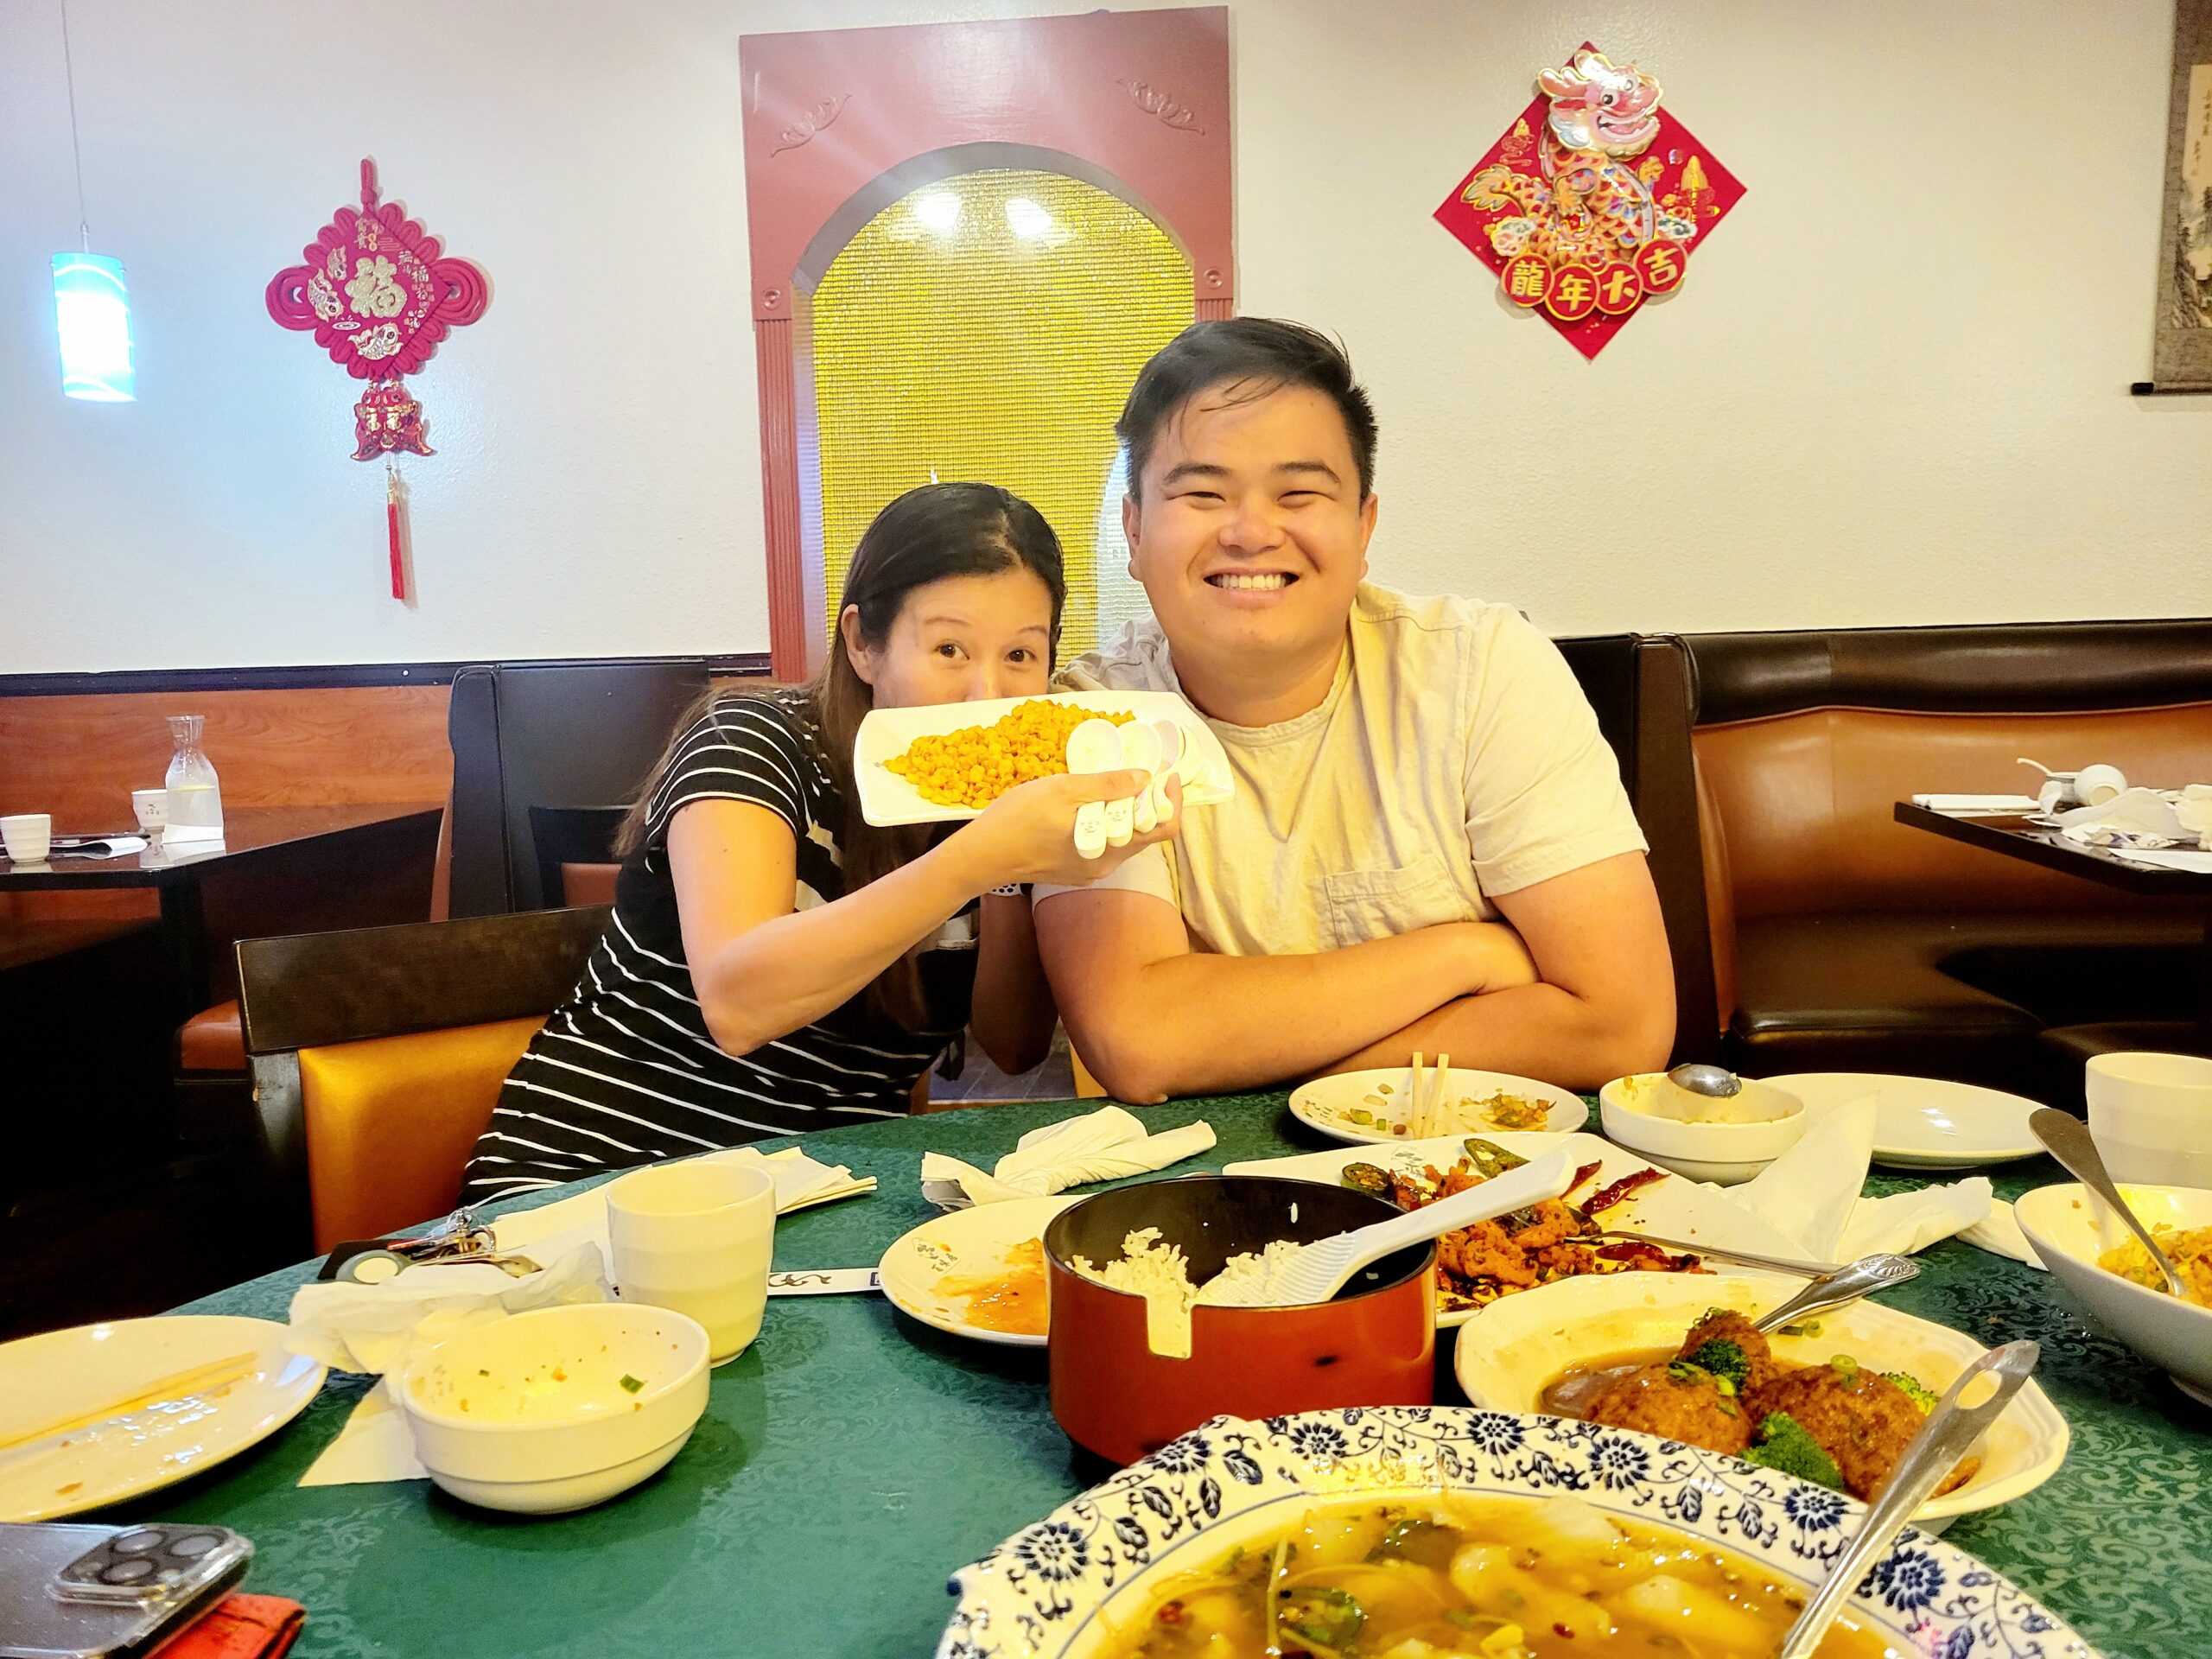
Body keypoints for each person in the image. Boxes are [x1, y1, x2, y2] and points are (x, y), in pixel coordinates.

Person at [460, 482, 1173, 1204]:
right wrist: (981, 856)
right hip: (596, 1181)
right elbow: (739, 1003)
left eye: (1021, 655)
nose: (986, 694)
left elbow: (1014, 1045)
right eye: (949, 648)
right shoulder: (751, 742)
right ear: (864, 642)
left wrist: (1029, 863)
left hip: (813, 1200)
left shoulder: (989, 806)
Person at [1033, 319, 1674, 1101]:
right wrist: (1464, 956)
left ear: (1363, 527)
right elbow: (1140, 1039)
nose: (1250, 532)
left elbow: (1620, 1024)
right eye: (1202, 494)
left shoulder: (1481, 667)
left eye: (1298, 494)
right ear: (1134, 531)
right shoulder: (1094, 718)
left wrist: (1262, 1059)